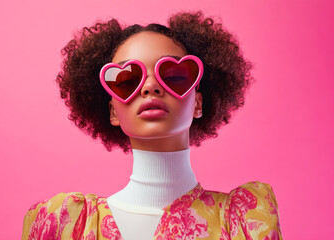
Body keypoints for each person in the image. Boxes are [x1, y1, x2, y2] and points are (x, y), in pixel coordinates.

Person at [21, 11, 282, 240]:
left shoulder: (246, 222)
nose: (150, 87)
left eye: (174, 76)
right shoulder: (63, 225)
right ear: (112, 111)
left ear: (198, 104)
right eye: (126, 80)